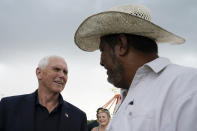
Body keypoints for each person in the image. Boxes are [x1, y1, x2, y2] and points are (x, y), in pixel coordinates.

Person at [74, 4, 197, 131]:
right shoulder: (126, 98)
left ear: (122, 45)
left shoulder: (188, 86)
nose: (101, 61)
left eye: (102, 50)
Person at [0, 55, 88, 131]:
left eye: (65, 72)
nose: (62, 75)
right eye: (56, 69)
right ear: (39, 73)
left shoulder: (78, 117)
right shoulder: (8, 107)